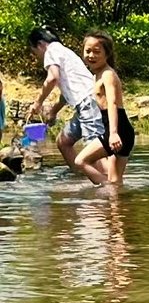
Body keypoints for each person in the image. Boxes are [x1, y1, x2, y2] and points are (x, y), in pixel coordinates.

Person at [26, 26, 110, 185]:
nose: (36, 56)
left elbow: (52, 79)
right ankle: (81, 177)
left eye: (34, 51)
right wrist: (53, 111)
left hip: (88, 104)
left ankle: (113, 186)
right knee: (63, 141)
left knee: (94, 148)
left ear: (40, 44)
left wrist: (37, 103)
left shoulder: (51, 51)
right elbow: (67, 92)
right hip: (86, 104)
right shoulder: (65, 52)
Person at [83, 30, 135, 185]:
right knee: (115, 179)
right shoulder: (97, 74)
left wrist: (113, 133)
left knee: (81, 161)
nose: (91, 55)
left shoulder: (107, 75)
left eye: (97, 52)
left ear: (107, 54)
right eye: (88, 51)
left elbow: (112, 103)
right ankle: (117, 207)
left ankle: (105, 188)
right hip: (120, 129)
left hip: (118, 129)